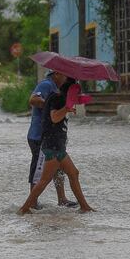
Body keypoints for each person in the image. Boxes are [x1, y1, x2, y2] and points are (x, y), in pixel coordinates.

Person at [19, 77, 94, 214]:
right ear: (70, 92)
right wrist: (66, 109)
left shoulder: (58, 98)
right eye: (76, 94)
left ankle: (84, 207)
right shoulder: (57, 99)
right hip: (52, 146)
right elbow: (54, 117)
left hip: (58, 145)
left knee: (73, 173)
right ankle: (24, 209)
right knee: (44, 180)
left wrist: (68, 108)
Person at [27, 70, 77, 209]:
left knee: (59, 167)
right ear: (56, 74)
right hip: (40, 136)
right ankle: (32, 202)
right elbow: (33, 100)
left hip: (54, 137)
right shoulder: (46, 85)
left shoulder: (57, 90)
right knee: (39, 169)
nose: (66, 78)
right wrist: (50, 105)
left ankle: (62, 198)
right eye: (64, 75)